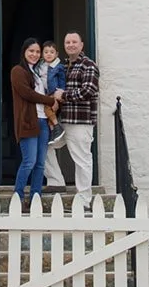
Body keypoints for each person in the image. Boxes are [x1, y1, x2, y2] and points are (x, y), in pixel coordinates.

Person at [9, 37, 62, 209]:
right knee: (29, 162)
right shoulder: (18, 71)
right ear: (24, 52)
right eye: (31, 51)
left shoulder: (39, 72)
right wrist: (49, 100)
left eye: (37, 51)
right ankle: (17, 197)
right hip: (28, 121)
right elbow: (27, 93)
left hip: (43, 121)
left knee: (40, 164)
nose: (35, 54)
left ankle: (35, 199)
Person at [61, 31, 100, 207]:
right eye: (67, 42)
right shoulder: (63, 65)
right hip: (63, 120)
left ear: (81, 45)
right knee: (43, 146)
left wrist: (63, 96)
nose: (71, 45)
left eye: (74, 42)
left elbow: (88, 91)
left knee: (82, 159)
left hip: (80, 122)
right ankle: (56, 182)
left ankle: (84, 198)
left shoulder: (88, 65)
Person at [39, 41, 67, 187]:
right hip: (43, 98)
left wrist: (59, 94)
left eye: (52, 52)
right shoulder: (40, 67)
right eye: (46, 52)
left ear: (56, 54)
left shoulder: (58, 67)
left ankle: (56, 128)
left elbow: (62, 82)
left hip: (53, 95)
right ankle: (54, 128)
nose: (49, 54)